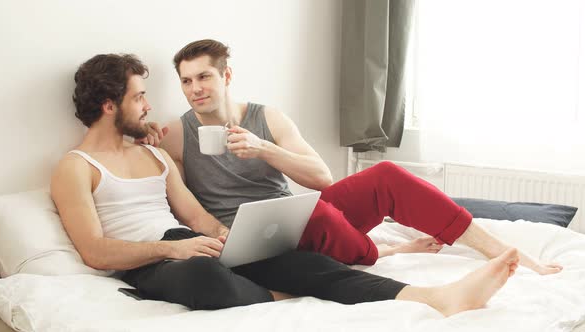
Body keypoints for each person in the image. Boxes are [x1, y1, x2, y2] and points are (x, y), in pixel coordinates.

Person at [51, 52, 520, 316]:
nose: (149, 107)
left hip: (193, 244)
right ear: (110, 106)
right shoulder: (75, 167)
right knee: (204, 276)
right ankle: (280, 291)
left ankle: (434, 297)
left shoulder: (153, 153)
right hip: (154, 260)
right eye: (139, 98)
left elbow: (195, 216)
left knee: (299, 260)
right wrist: (172, 250)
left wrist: (225, 238)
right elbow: (95, 251)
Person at [143, 39, 562, 274]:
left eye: (204, 77)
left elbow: (323, 178)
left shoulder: (266, 117)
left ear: (226, 76)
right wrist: (144, 139)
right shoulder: (177, 134)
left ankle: (503, 251)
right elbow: (175, 195)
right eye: (186, 81)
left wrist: (264, 148)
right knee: (321, 218)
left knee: (385, 174)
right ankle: (387, 252)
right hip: (249, 239)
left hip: (296, 217)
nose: (195, 88)